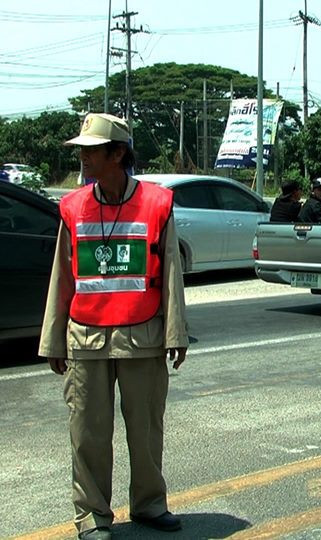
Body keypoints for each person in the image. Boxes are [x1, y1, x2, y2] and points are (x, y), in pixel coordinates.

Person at [38, 113, 189, 539]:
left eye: (91, 150)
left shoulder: (158, 204)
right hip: (85, 337)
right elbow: (61, 278)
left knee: (145, 431)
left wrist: (175, 334)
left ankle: (148, 504)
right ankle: (92, 516)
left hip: (142, 336)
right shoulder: (72, 206)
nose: (83, 158)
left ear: (118, 153)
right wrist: (53, 340)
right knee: (87, 433)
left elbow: (172, 273)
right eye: (82, 150)